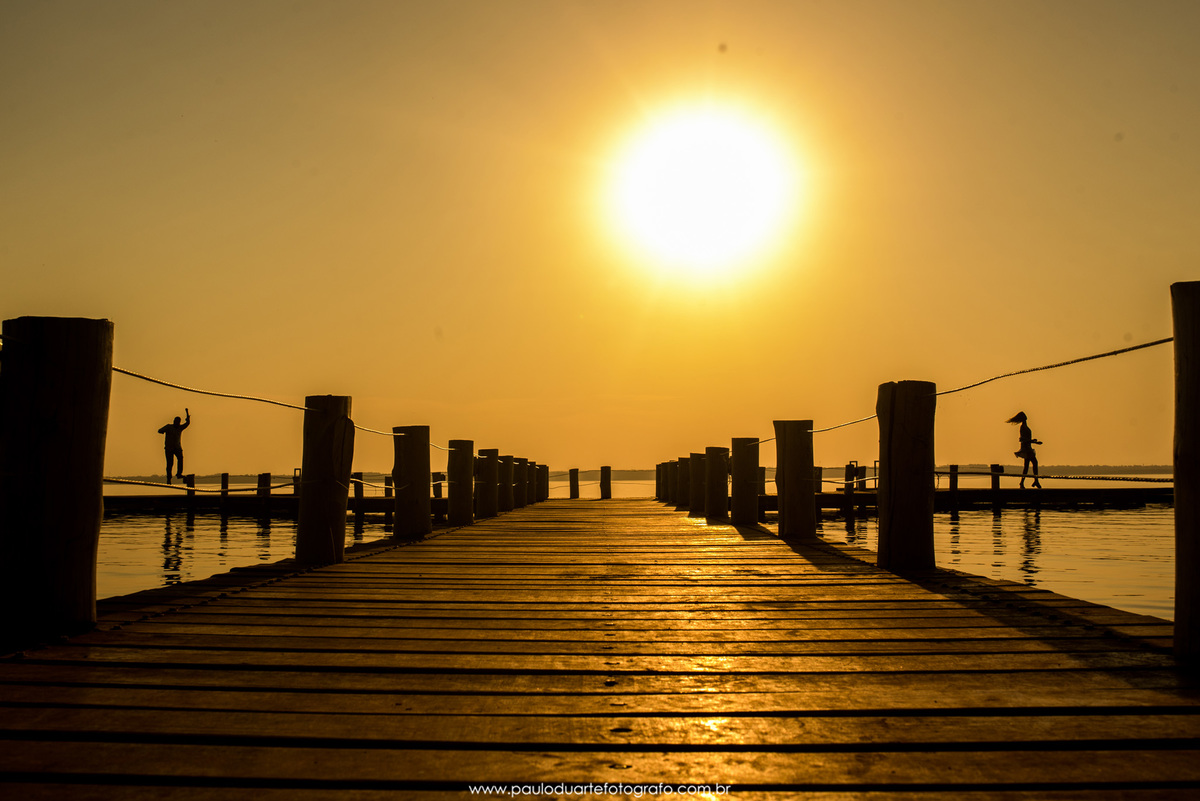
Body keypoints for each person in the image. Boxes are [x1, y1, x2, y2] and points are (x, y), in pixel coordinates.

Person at [1007, 411, 1042, 489]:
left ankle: (1024, 482)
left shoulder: (1025, 426)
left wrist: (1034, 442)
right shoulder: (1023, 427)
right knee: (1034, 463)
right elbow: (1022, 439)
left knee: (1027, 467)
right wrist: (1033, 441)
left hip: (1028, 448)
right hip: (1026, 449)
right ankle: (1034, 481)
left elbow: (1026, 439)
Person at [158, 409, 191, 483]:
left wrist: (187, 413)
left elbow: (187, 423)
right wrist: (162, 432)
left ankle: (179, 474)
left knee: (180, 459)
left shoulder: (180, 428)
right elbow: (159, 430)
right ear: (174, 422)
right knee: (170, 463)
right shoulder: (169, 427)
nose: (176, 423)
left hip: (177, 448)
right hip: (169, 448)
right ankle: (169, 478)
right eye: (175, 422)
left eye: (177, 422)